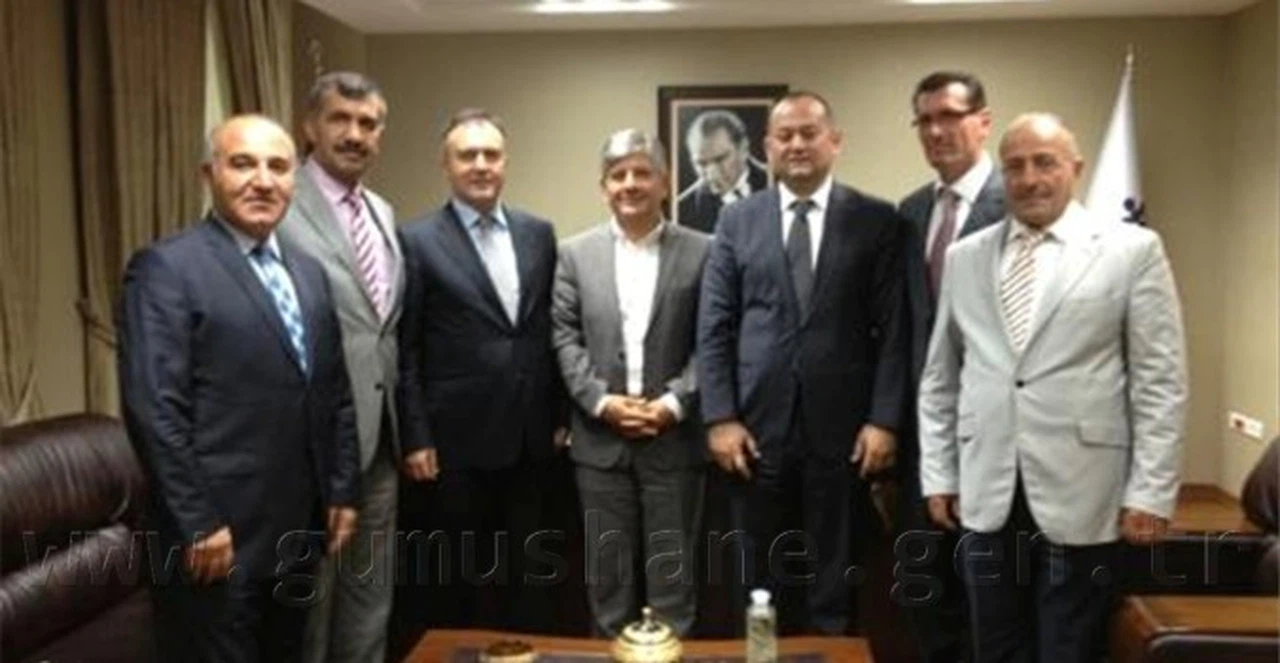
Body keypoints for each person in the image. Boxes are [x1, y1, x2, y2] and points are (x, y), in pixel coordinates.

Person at [918, 113, 1188, 663]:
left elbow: (1160, 379)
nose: (1029, 179)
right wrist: (940, 472)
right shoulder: (966, 257)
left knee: (1068, 647)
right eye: (1015, 166)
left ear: (1076, 169)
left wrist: (1151, 490)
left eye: (1045, 163)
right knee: (994, 647)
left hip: (1085, 489)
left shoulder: (1131, 250)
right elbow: (941, 378)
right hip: (986, 489)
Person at [117, 114, 360, 662]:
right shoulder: (166, 269)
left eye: (278, 166)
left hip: (297, 530)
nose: (263, 181)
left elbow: (335, 393)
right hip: (216, 537)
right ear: (209, 174)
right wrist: (198, 521)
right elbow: (155, 410)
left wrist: (343, 489)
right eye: (243, 164)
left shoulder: (308, 273)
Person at [697, 91, 909, 635]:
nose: (796, 144)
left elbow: (894, 332)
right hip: (754, 435)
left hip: (844, 435)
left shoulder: (875, 219)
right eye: (785, 135)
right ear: (767, 146)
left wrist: (884, 420)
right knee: (758, 582)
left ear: (835, 142)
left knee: (833, 583)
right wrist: (720, 417)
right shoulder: (737, 221)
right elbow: (715, 327)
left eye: (809, 133)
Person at [398, 108, 563, 632]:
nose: (481, 165)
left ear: (505, 162)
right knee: (457, 583)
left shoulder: (538, 233)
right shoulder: (416, 240)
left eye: (491, 154)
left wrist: (560, 415)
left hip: (531, 440)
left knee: (531, 579)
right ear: (446, 165)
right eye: (467, 155)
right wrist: (416, 435)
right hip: (455, 445)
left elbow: (549, 330)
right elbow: (406, 347)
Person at [551, 128, 711, 637]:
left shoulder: (705, 251)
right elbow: (564, 337)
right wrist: (601, 403)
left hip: (674, 442)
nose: (630, 184)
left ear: (665, 181)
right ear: (603, 187)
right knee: (607, 586)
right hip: (601, 446)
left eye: (642, 172)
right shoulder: (573, 254)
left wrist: (673, 403)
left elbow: (712, 341)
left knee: (673, 587)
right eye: (618, 175)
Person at [276, 71, 404, 663]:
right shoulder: (279, 202)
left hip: (379, 443)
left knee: (370, 597)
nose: (355, 134)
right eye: (340, 120)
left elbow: (381, 329)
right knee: (312, 603)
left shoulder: (382, 210)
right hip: (311, 442)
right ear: (310, 127)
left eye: (368, 124)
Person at [896, 70, 1004, 663]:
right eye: (925, 120)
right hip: (924, 437)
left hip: (998, 434)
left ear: (983, 122)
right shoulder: (912, 212)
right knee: (924, 593)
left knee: (989, 596)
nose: (937, 131)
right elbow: (905, 331)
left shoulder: (1017, 203)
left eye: (950, 117)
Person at [676, 109, 769, 233]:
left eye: (720, 159)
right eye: (701, 163)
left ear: (744, 148)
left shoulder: (779, 184)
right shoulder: (683, 210)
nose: (712, 173)